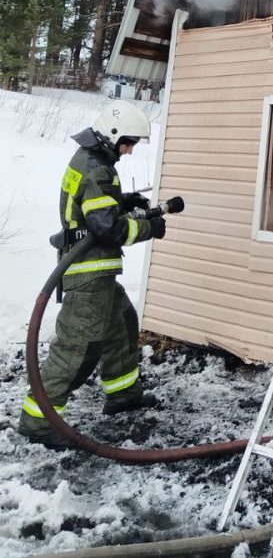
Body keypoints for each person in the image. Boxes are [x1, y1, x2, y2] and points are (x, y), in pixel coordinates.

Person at [19, 99, 168, 449]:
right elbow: (107, 229)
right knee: (77, 348)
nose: (129, 150)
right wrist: (148, 227)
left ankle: (122, 394)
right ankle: (38, 422)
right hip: (89, 274)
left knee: (123, 325)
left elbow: (94, 207)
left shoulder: (91, 160)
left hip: (98, 274)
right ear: (113, 135)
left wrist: (125, 200)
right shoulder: (97, 168)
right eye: (127, 143)